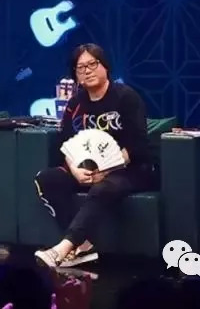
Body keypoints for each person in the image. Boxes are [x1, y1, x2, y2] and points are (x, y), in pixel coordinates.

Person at [33, 43, 156, 268]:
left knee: (103, 187)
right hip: (86, 170)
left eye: (92, 64)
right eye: (81, 68)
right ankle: (84, 246)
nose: (87, 71)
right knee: (47, 179)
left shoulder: (126, 97)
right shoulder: (75, 104)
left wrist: (106, 170)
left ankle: (63, 248)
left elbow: (138, 144)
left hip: (130, 169)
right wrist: (74, 170)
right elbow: (65, 144)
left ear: (105, 67)